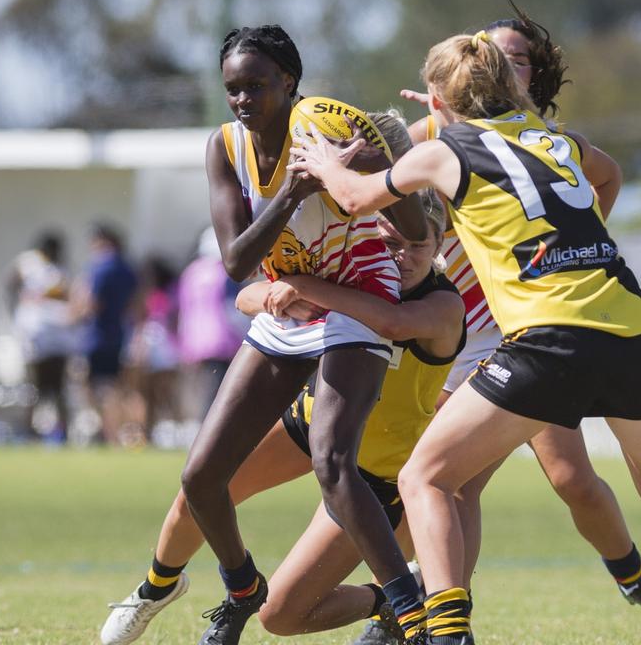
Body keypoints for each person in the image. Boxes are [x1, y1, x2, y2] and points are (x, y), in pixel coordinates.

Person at [288, 31, 641, 645]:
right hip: (636, 333)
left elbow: (351, 197)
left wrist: (322, 162)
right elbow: (594, 173)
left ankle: (448, 634)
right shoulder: (553, 139)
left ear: (434, 100)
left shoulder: (442, 150)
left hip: (550, 342)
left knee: (426, 478)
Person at [382, 10, 641, 641]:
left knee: (571, 479)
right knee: (439, 481)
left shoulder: (548, 140)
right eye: (494, 55)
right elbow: (380, 164)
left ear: (534, 70)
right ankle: (419, 611)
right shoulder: (443, 133)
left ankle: (634, 581)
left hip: (530, 333)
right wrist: (425, 121)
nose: (505, 64)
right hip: (457, 329)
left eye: (518, 57)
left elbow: (606, 176)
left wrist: (565, 253)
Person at [99, 193, 464, 645]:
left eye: (416, 246)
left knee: (282, 617)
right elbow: (246, 295)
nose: (401, 258)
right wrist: (280, 294)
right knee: (202, 485)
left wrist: (304, 288)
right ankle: (155, 588)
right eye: (388, 244)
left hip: (372, 470)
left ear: (440, 244)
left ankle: (391, 601)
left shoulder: (444, 306)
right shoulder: (353, 271)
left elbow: (390, 322)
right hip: (307, 426)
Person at [181, 23, 429, 645]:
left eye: (256, 86)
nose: (243, 101)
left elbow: (414, 224)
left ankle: (411, 610)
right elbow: (237, 261)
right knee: (201, 478)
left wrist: (381, 174)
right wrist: (294, 188)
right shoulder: (225, 147)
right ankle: (242, 588)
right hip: (291, 301)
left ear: (289, 83)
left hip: (356, 291)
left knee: (332, 461)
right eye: (233, 89)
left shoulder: (323, 126)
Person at [74, 222, 138, 445]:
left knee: (100, 387)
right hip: (119, 334)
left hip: (97, 336)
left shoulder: (100, 267)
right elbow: (135, 304)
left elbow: (92, 303)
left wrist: (73, 313)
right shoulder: (127, 268)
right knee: (117, 386)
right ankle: (120, 432)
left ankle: (109, 433)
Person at [8, 230, 76, 440]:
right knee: (35, 387)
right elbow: (11, 283)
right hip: (36, 336)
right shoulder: (30, 265)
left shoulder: (59, 272)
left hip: (55, 337)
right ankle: (30, 429)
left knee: (55, 388)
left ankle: (61, 430)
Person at [176, 227, 249, 419]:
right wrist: (248, 333)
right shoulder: (225, 273)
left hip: (194, 340)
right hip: (223, 339)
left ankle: (200, 424)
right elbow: (233, 310)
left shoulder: (190, 273)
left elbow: (184, 309)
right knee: (219, 388)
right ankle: (208, 427)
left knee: (203, 387)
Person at [125, 255, 181, 441]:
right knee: (163, 395)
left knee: (146, 395)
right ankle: (166, 431)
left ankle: (145, 433)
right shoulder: (171, 294)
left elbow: (140, 323)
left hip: (153, 349)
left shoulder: (146, 296)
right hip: (166, 350)